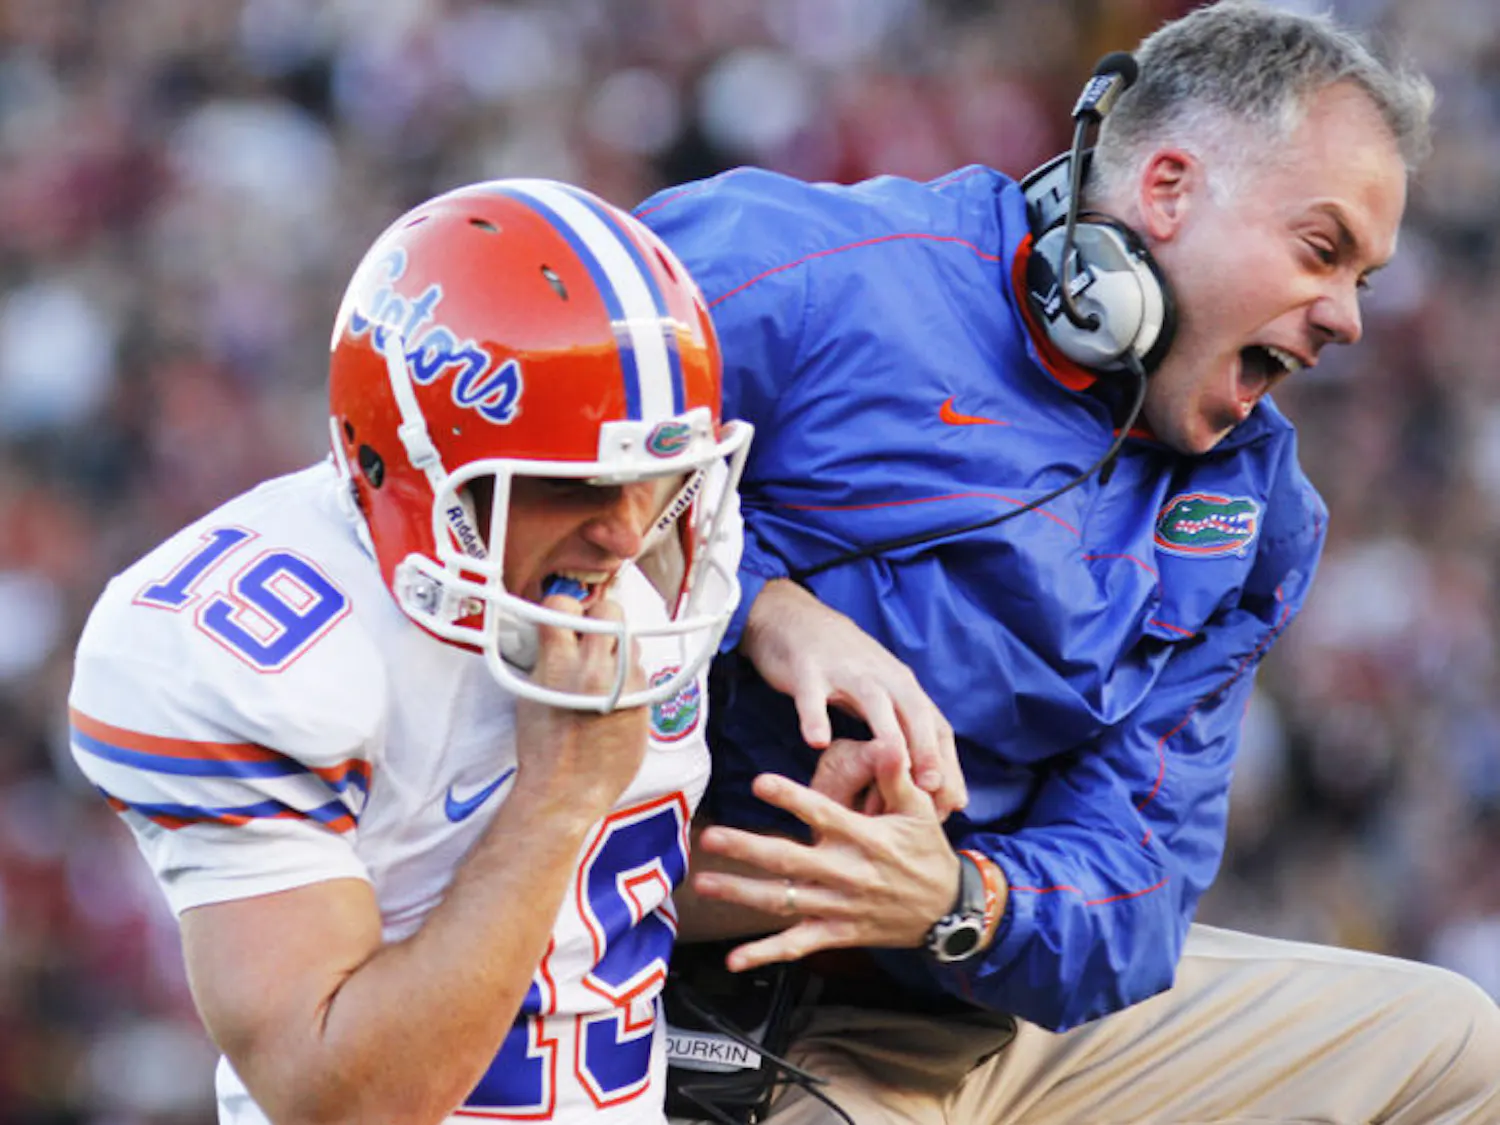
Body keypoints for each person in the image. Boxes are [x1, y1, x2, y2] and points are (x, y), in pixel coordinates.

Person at [638, 3, 1500, 1122]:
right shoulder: (800, 271)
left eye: (1365, 280)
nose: (1345, 319)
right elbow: (476, 475)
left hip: (950, 1006)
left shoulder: (1256, 515)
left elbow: (1136, 890)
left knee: (1457, 1049)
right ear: (1169, 190)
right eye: (1322, 251)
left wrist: (956, 899)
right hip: (674, 969)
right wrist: (758, 603)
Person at [67, 178, 757, 1124]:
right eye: (579, 485)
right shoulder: (247, 651)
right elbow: (343, 1101)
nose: (629, 535)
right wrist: (558, 798)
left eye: (662, 476)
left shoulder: (674, 552)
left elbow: (610, 909)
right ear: (408, 466)